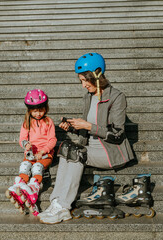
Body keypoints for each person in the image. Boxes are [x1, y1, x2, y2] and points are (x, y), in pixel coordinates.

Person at [38, 53, 134, 224]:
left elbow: (118, 134)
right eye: (80, 80)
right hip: (91, 147)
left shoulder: (117, 97)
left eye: (84, 80)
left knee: (76, 152)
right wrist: (74, 127)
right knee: (67, 147)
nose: (83, 85)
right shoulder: (88, 97)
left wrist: (88, 126)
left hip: (111, 152)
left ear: (96, 75)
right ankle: (56, 203)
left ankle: (63, 206)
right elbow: (89, 130)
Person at [6, 89, 57, 216]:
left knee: (37, 167)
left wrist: (44, 150)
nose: (38, 113)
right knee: (25, 166)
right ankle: (19, 186)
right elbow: (22, 139)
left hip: (45, 154)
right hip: (31, 154)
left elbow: (52, 139)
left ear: (45, 108)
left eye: (40, 110)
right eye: (35, 111)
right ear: (29, 110)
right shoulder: (27, 122)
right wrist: (26, 144)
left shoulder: (48, 121)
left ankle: (33, 188)